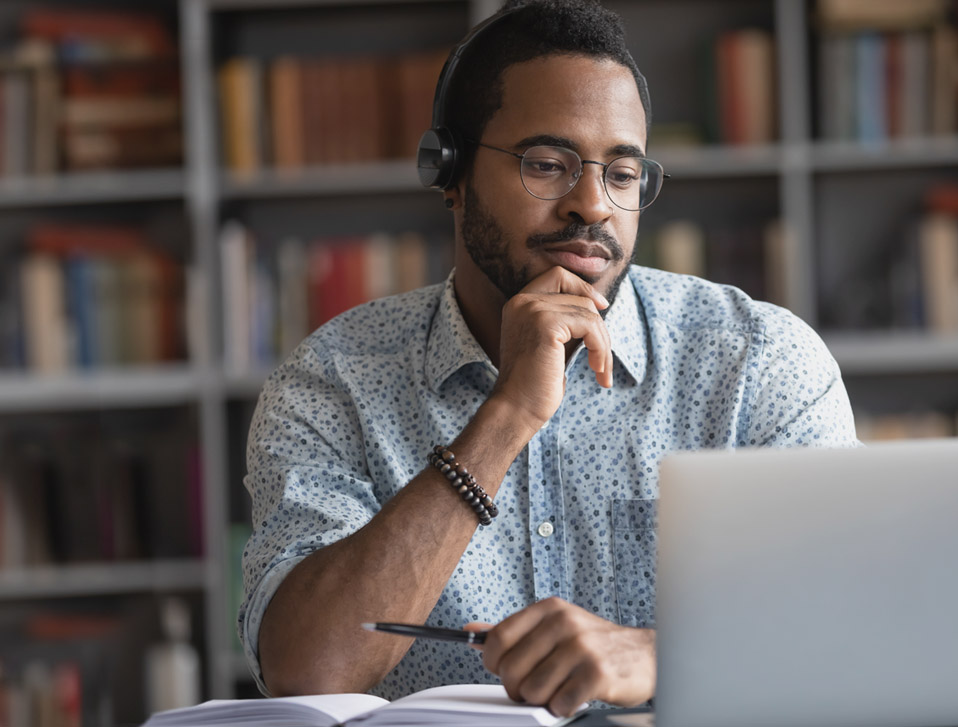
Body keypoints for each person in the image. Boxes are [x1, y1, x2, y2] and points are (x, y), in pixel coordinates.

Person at [239, 0, 857, 717]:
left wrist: (662, 654)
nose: (591, 205)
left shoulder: (757, 363)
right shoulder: (332, 382)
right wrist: (505, 417)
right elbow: (307, 669)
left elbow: (853, 626)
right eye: (547, 164)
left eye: (622, 175)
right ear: (452, 174)